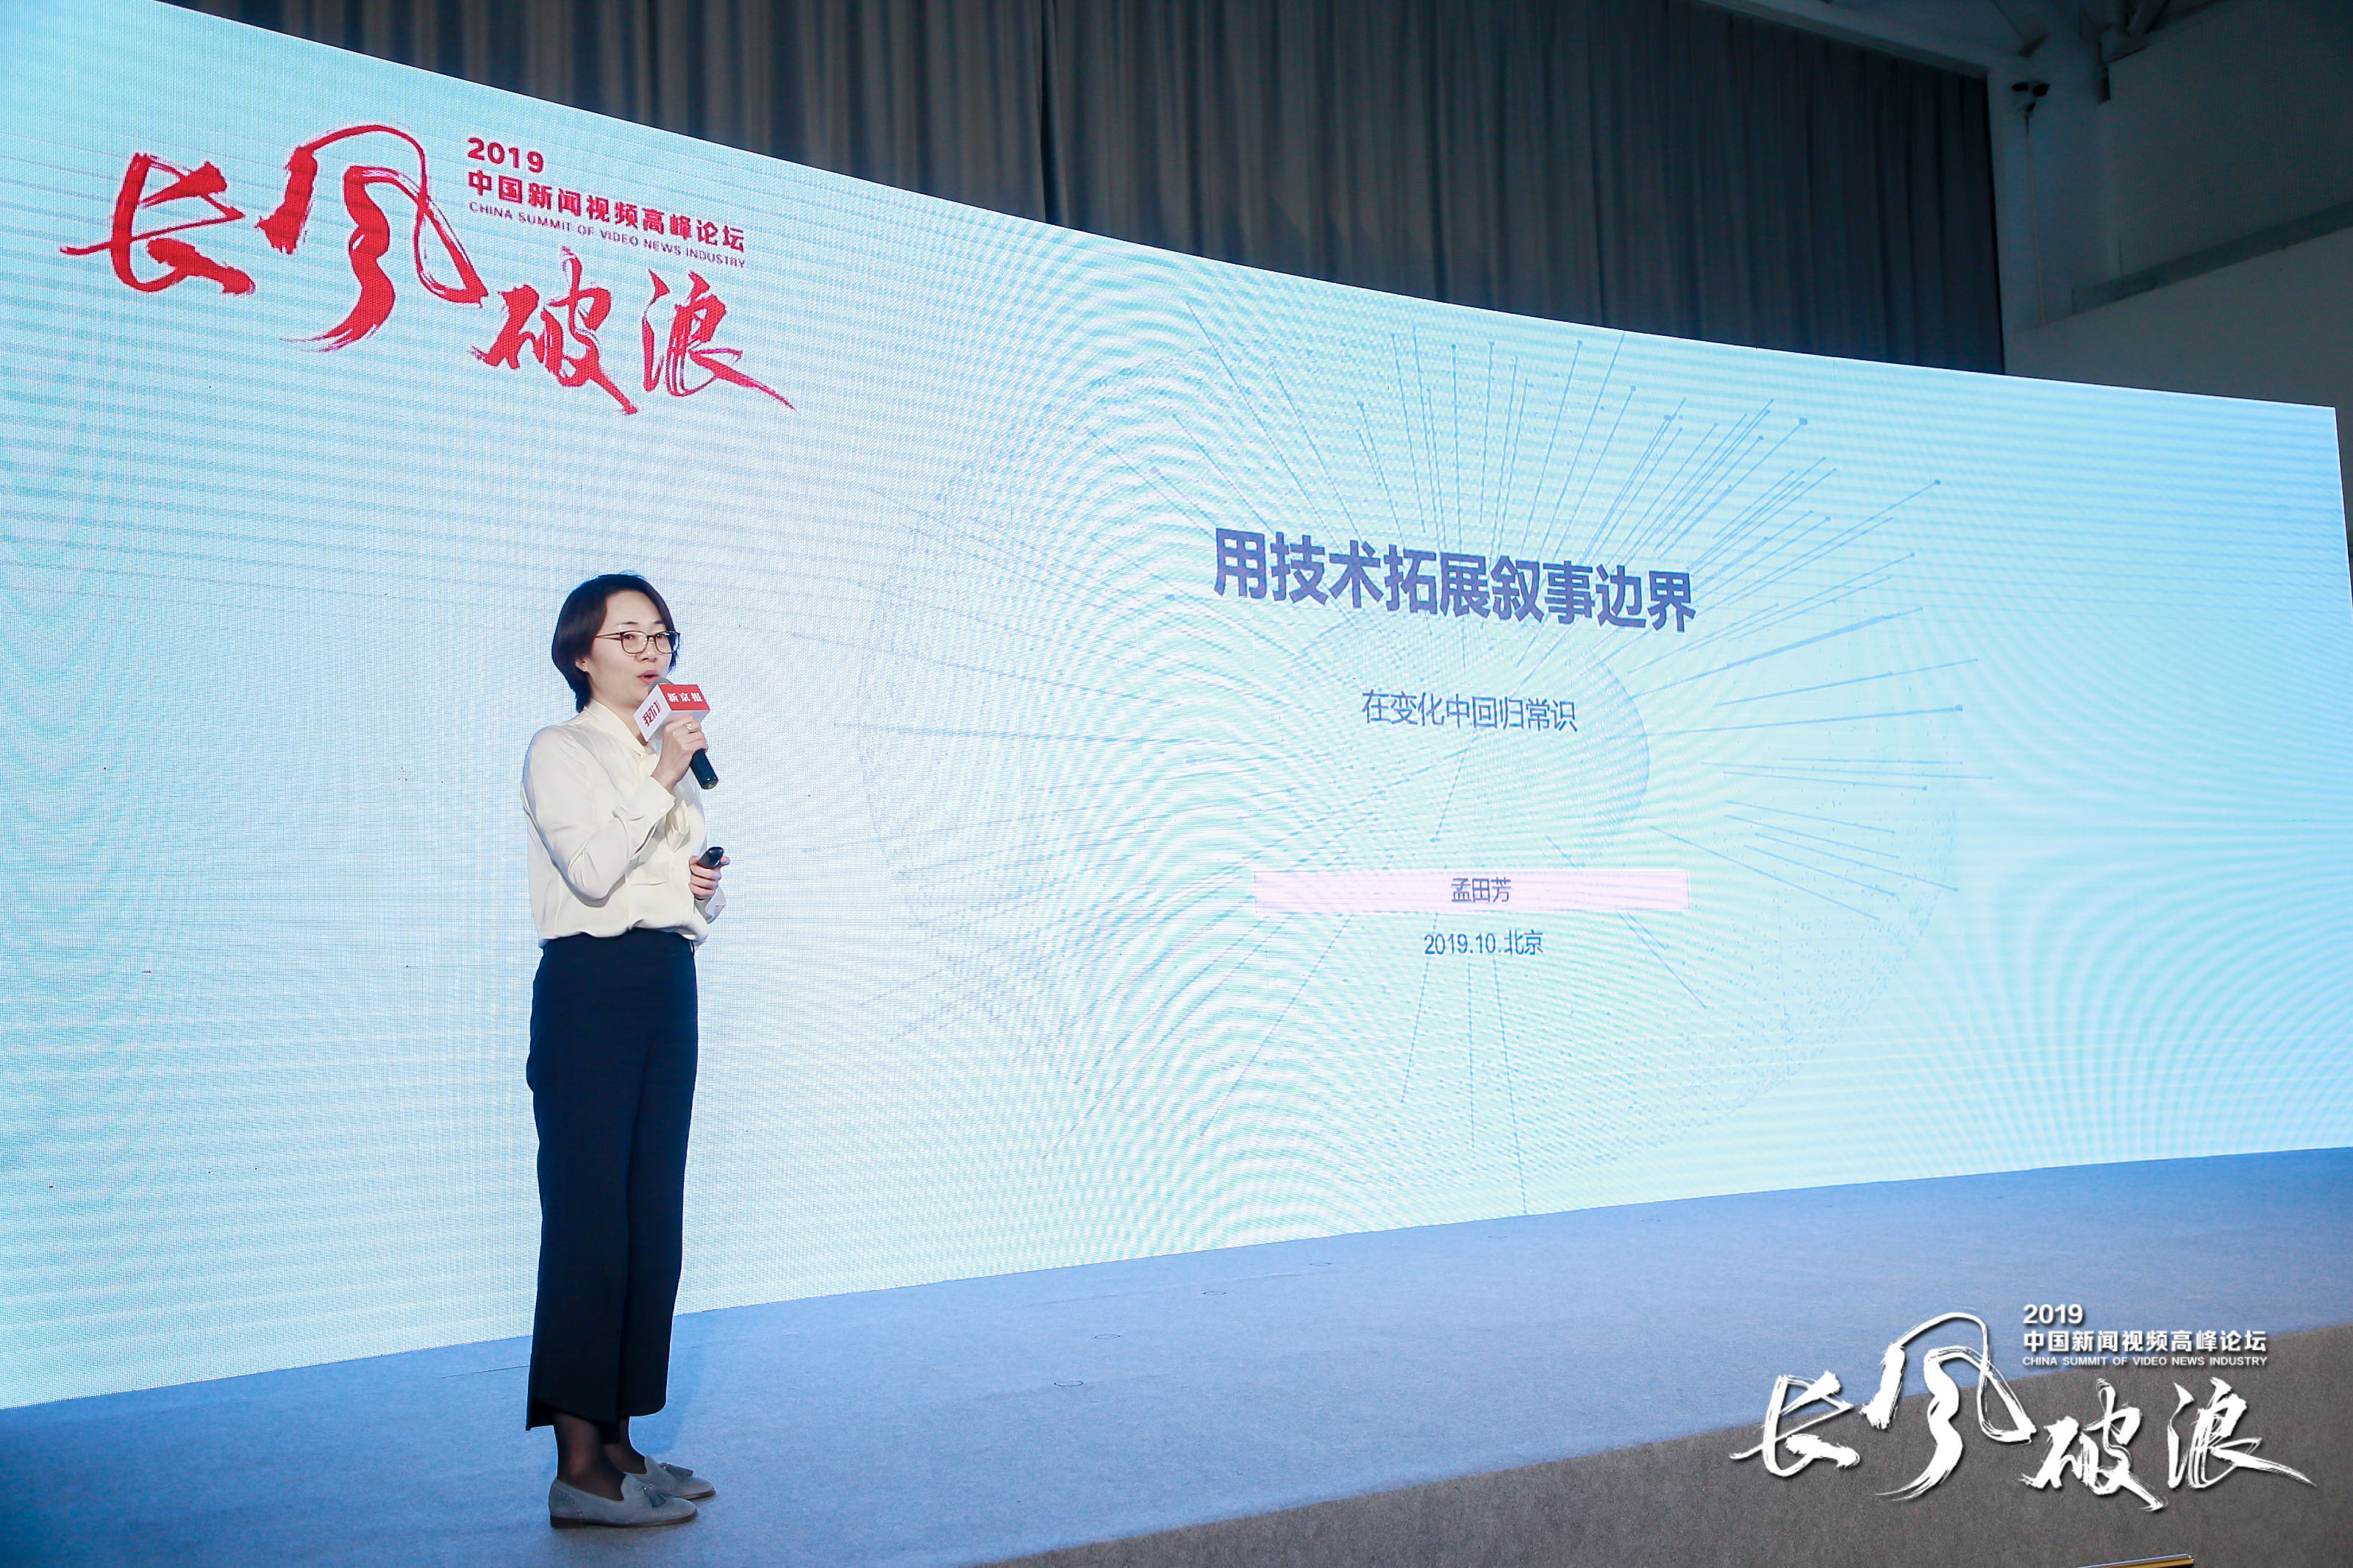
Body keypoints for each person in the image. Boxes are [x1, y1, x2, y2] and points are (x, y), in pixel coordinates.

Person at [521, 573, 729, 1528]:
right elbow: (594, 872)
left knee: (649, 1219)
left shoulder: (660, 757)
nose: (652, 651)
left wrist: (698, 888)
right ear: (581, 654)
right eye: (629, 636)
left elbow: (661, 887)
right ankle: (578, 1468)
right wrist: (661, 776)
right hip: (591, 991)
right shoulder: (560, 750)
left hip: (662, 982)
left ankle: (621, 1445)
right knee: (590, 1223)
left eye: (661, 636)